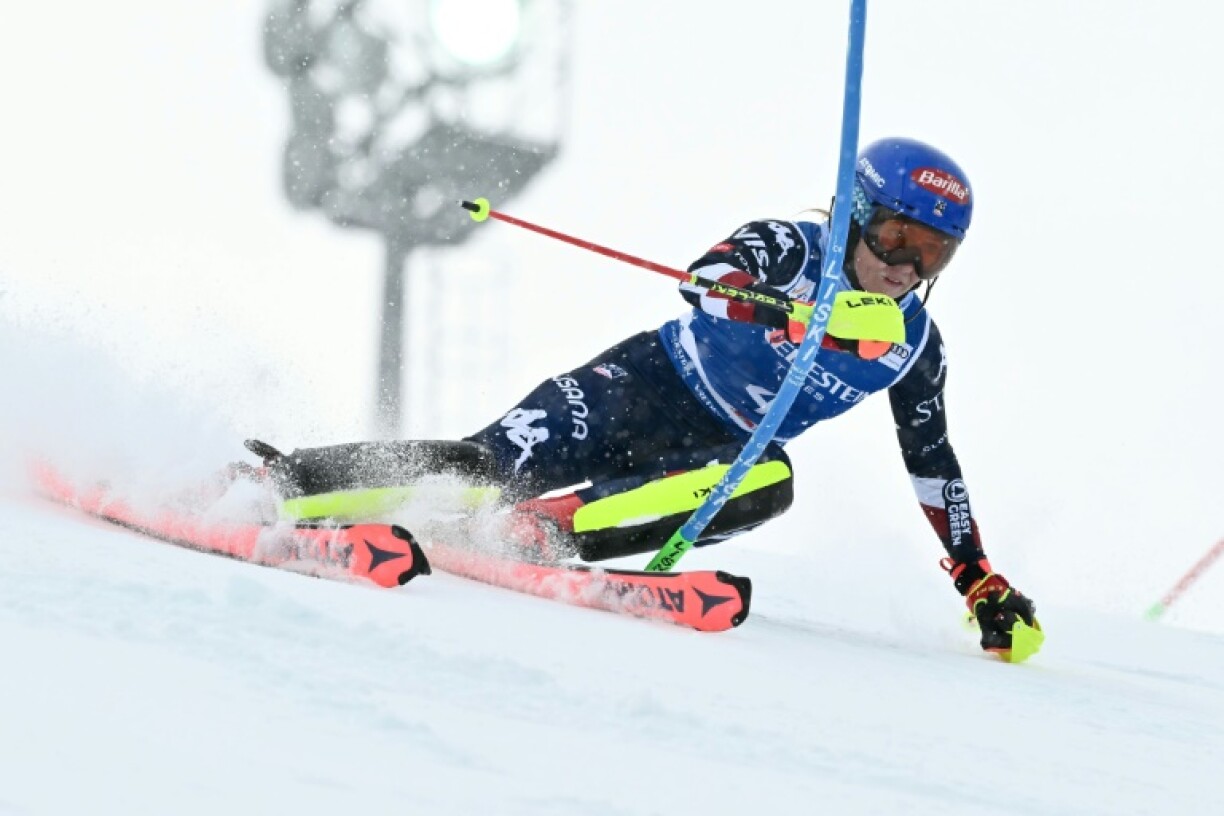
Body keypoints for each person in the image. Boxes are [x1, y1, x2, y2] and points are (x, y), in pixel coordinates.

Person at [251, 136, 1040, 656]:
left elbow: (932, 460)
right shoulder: (794, 249)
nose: (906, 266)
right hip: (641, 387)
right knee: (481, 466)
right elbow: (707, 281)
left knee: (769, 480)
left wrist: (977, 578)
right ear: (860, 214)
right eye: (900, 236)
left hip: (714, 452)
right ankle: (282, 485)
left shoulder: (912, 347)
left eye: (933, 252)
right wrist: (803, 316)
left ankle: (534, 533)